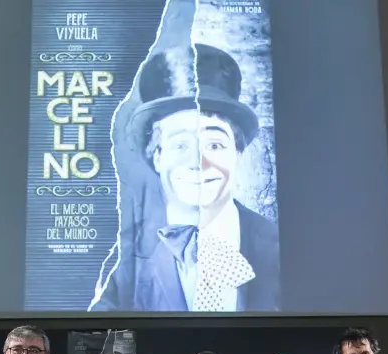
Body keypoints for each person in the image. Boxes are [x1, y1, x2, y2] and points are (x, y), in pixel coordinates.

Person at [88, 43, 280, 313]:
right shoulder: (120, 262)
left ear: (237, 153)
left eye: (215, 145)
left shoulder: (281, 249)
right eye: (180, 145)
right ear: (157, 156)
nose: (198, 162)